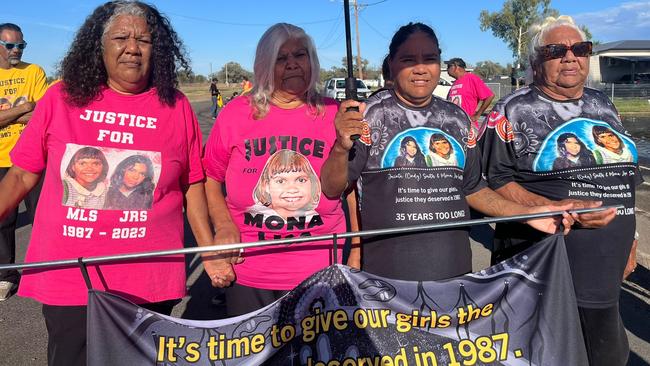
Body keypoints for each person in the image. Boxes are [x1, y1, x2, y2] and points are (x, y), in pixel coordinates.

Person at [0, 2, 213, 365]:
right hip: (70, 275)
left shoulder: (176, 106)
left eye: (144, 40)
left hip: (149, 275)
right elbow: (21, 174)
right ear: (99, 46)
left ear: (156, 49)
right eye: (120, 37)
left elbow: (193, 183)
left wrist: (209, 250)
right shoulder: (62, 96)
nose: (132, 47)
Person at [320, 22, 573, 282]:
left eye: (429, 59)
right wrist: (340, 147)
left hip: (454, 275)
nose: (420, 68)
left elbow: (474, 189)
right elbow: (331, 188)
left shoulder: (458, 118)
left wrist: (527, 214)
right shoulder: (367, 116)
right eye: (408, 59)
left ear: (439, 63)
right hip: (387, 279)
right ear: (392, 65)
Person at [480, 16, 637, 366]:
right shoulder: (512, 110)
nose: (570, 57)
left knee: (609, 356)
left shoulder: (604, 106)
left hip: (605, 272)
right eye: (556, 50)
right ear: (537, 63)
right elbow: (491, 180)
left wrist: (633, 240)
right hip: (545, 271)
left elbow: (625, 178)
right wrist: (553, 206)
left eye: (579, 48)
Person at [202, 23, 347, 317]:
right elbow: (210, 177)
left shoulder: (335, 113)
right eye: (281, 58)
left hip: (321, 268)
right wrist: (224, 225)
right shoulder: (235, 113)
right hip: (250, 269)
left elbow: (350, 189)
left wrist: (355, 249)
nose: (293, 63)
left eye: (300, 55)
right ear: (265, 65)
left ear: (312, 61)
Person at [0, 23, 48, 301]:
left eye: (21, 45)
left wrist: (17, 114)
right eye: (10, 46)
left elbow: (40, 115)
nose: (16, 50)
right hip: (1, 158)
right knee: (4, 221)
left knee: (42, 216)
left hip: (31, 157)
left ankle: (44, 270)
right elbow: (30, 111)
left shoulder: (34, 72)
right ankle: (6, 275)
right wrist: (23, 108)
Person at [445, 57, 494, 129]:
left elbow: (490, 96)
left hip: (467, 126)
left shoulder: (472, 78)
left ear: (455, 67)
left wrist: (477, 115)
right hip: (454, 125)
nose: (447, 70)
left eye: (449, 67)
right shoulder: (455, 83)